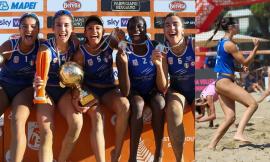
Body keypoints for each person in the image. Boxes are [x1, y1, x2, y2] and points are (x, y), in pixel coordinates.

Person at [72, 15, 130, 162]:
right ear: (85, 33)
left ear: (103, 31)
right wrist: (77, 95)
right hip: (88, 90)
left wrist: (122, 41)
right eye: (90, 29)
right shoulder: (80, 54)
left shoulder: (109, 42)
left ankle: (116, 154)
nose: (94, 31)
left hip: (108, 90)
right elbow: (75, 81)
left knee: (125, 105)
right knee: (97, 117)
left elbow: (124, 45)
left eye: (98, 28)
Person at [33, 10, 82, 162]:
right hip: (46, 91)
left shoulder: (75, 44)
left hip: (64, 92)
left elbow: (78, 75)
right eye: (58, 25)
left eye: (66, 25)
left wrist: (78, 94)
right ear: (53, 29)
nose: (62, 29)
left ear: (72, 29)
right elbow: (42, 78)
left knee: (76, 123)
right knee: (47, 132)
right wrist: (39, 86)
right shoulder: (46, 49)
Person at [207, 16, 259, 149]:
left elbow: (227, 64)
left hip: (220, 81)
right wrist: (255, 48)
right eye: (235, 24)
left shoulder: (221, 42)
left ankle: (211, 145)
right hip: (225, 82)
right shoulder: (230, 44)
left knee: (230, 117)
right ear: (231, 28)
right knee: (253, 104)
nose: (237, 26)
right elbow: (246, 61)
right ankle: (239, 133)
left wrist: (239, 69)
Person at [121, 16, 167, 162]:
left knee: (159, 103)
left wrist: (159, 65)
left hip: (153, 90)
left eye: (140, 26)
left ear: (146, 28)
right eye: (132, 27)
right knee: (138, 104)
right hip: (134, 91)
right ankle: (132, 157)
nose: (136, 30)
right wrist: (123, 63)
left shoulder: (156, 46)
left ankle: (159, 152)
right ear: (127, 30)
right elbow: (125, 91)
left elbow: (162, 87)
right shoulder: (124, 49)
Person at [0, 13, 41, 162]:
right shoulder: (10, 45)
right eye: (24, 26)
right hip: (4, 86)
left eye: (33, 26)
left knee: (17, 120)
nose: (28, 29)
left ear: (38, 31)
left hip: (25, 89)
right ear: (19, 30)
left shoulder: (41, 46)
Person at [163, 13, 195, 162]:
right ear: (164, 31)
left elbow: (207, 70)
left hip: (197, 88)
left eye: (175, 24)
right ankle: (179, 159)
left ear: (183, 29)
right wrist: (158, 65)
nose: (171, 27)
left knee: (200, 109)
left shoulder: (194, 44)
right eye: (167, 25)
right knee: (173, 109)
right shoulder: (162, 49)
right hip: (177, 90)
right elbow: (163, 84)